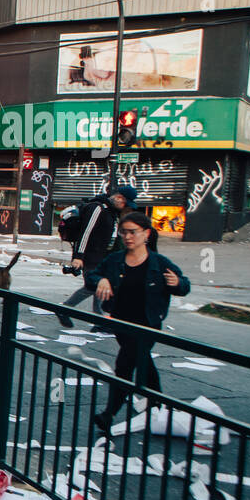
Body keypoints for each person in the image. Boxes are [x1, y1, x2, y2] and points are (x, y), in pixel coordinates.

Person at [88, 212, 190, 436]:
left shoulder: (159, 263)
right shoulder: (115, 260)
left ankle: (109, 413)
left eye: (133, 231)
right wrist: (102, 279)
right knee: (143, 363)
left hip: (148, 324)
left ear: (146, 234)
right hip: (121, 323)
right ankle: (157, 403)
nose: (127, 236)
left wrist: (177, 283)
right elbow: (91, 277)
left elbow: (184, 285)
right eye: (123, 232)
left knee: (125, 364)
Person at [57, 185, 137, 329]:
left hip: (102, 256)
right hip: (90, 256)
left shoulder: (110, 211)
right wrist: (78, 256)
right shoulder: (98, 208)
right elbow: (85, 232)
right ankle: (65, 309)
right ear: (119, 198)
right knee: (93, 286)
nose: (124, 207)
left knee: (99, 285)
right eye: (125, 203)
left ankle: (98, 320)